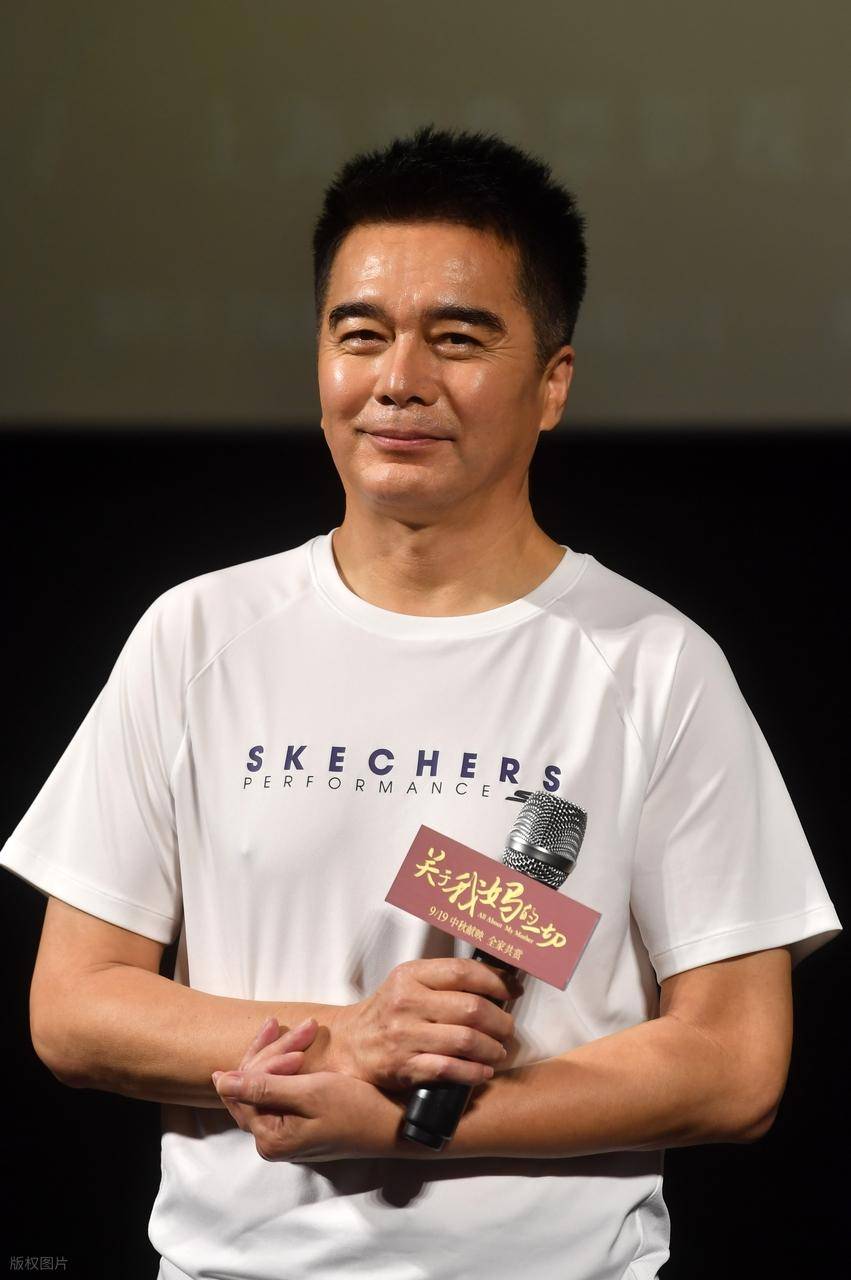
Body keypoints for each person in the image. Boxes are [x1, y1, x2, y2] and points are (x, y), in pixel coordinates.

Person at [1, 124, 841, 1280]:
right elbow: (75, 1005)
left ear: (551, 383)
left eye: (456, 338)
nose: (398, 380)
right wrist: (349, 1037)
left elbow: (733, 1063)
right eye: (360, 334)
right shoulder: (196, 636)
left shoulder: (652, 665)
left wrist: (410, 1120)